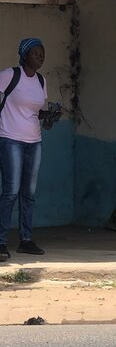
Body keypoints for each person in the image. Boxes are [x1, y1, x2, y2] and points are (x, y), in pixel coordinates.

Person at [0, 38, 49, 260]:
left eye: (42, 53)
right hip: (10, 139)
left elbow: (37, 113)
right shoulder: (10, 75)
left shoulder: (41, 81)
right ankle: (1, 242)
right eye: (36, 53)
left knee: (28, 193)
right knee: (10, 191)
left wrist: (50, 117)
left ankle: (26, 240)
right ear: (25, 55)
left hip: (34, 141)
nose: (40, 56)